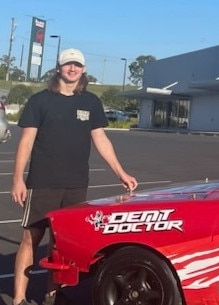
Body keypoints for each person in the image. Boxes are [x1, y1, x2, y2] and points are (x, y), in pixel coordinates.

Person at [10, 48, 138, 305]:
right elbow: (26, 141)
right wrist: (17, 179)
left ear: (83, 69)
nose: (72, 69)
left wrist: (120, 172)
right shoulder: (40, 100)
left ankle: (52, 294)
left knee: (61, 245)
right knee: (31, 239)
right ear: (58, 67)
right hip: (42, 182)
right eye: (68, 64)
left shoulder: (91, 102)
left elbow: (101, 138)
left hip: (76, 184)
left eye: (77, 65)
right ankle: (19, 298)